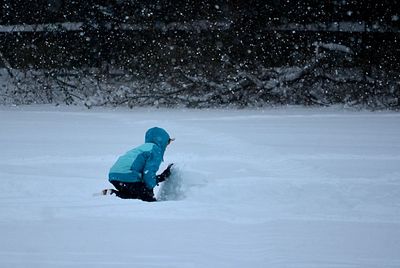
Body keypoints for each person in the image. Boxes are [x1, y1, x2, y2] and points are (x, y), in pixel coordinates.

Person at [103, 127, 174, 202]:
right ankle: (113, 194)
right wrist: (155, 183)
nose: (166, 147)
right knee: (147, 198)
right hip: (127, 175)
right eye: (167, 143)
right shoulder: (155, 150)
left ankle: (112, 194)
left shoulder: (144, 148)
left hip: (114, 175)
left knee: (135, 195)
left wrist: (159, 178)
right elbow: (148, 173)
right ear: (162, 141)